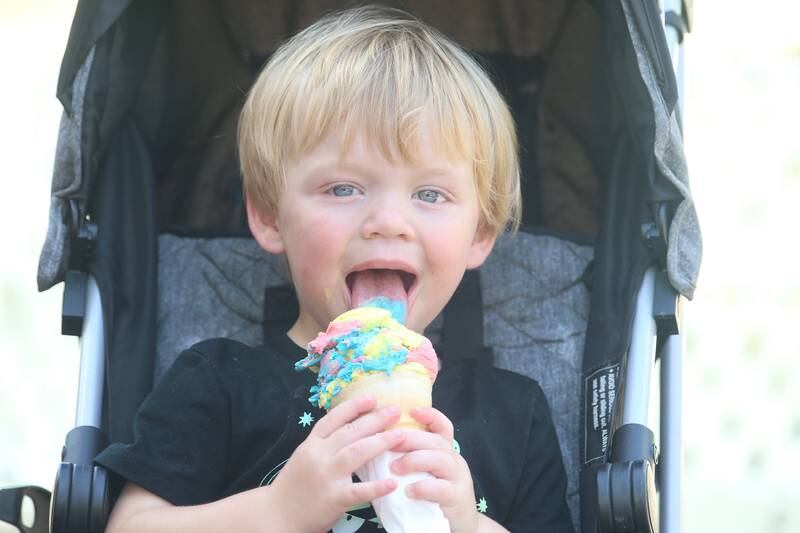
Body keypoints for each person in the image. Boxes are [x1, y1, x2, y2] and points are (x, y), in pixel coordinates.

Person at [96, 6, 574, 532]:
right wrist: (277, 512)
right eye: (343, 188)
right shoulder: (219, 382)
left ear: (481, 233)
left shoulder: (512, 412)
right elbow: (129, 526)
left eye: (430, 194)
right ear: (269, 215)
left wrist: (469, 523)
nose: (388, 222)